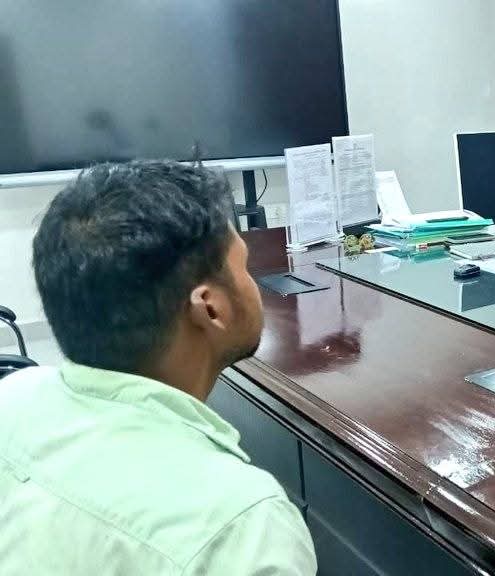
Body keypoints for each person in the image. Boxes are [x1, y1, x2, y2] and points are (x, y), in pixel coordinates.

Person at [0, 161, 316, 574]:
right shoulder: (238, 528)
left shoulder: (14, 395)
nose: (253, 282)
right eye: (244, 267)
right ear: (210, 308)